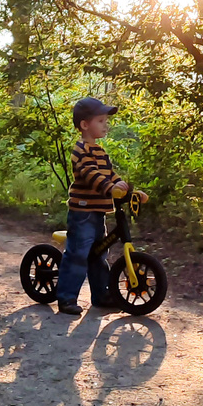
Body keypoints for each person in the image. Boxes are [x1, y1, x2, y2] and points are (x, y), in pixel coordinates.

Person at [55, 97, 145, 316]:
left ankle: (101, 294)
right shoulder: (81, 150)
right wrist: (109, 187)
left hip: (98, 213)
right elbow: (90, 174)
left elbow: (110, 176)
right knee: (78, 254)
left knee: (99, 254)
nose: (106, 125)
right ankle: (66, 298)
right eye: (101, 120)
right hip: (82, 212)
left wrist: (128, 191)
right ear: (85, 125)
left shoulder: (101, 152)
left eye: (106, 120)